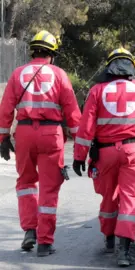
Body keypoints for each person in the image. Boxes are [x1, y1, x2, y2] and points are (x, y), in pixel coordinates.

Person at [0, 30, 82, 257]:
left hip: (24, 133)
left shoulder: (17, 74)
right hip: (50, 135)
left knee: (25, 183)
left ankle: (29, 230)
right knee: (49, 187)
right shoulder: (59, 75)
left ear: (32, 51)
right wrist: (81, 148)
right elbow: (73, 113)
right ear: (52, 54)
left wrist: (3, 138)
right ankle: (45, 243)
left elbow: (6, 108)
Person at [72, 47, 135, 267]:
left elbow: (86, 127)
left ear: (109, 67)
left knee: (108, 196)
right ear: (131, 67)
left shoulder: (97, 91)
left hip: (105, 153)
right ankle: (124, 251)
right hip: (133, 151)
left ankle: (109, 239)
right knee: (130, 197)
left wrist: (79, 157)